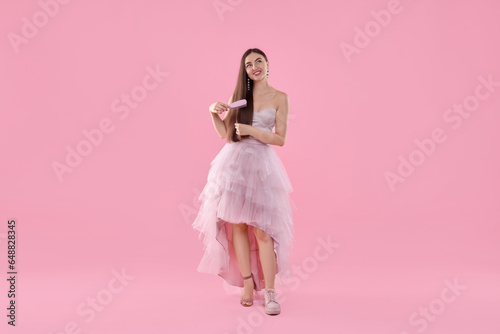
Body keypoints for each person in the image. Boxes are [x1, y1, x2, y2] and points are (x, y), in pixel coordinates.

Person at [192, 48, 296, 316]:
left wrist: (252, 131)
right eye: (249, 64)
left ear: (267, 64)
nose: (254, 67)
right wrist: (213, 112)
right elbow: (226, 134)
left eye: (258, 61)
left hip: (261, 166)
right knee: (237, 224)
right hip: (234, 164)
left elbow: (280, 138)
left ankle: (271, 291)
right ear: (245, 71)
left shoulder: (280, 98)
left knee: (263, 230)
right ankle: (247, 284)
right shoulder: (239, 98)